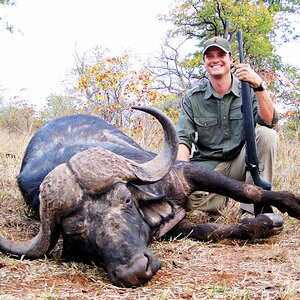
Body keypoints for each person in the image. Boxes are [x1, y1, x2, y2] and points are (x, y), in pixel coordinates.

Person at [176, 36, 279, 214]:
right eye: (210, 56)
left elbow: (269, 120)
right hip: (208, 168)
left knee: (267, 135)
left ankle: (251, 211)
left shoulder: (248, 88)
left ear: (231, 60)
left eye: (220, 54)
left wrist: (259, 85)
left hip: (242, 162)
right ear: (205, 62)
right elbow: (183, 140)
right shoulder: (193, 98)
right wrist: (179, 175)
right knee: (184, 202)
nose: (215, 60)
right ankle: (217, 201)